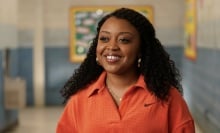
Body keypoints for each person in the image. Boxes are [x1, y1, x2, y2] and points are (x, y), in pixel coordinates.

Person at [56, 8, 195, 133]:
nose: (111, 46)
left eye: (124, 40)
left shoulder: (167, 96)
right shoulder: (79, 99)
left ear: (141, 49)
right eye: (104, 38)